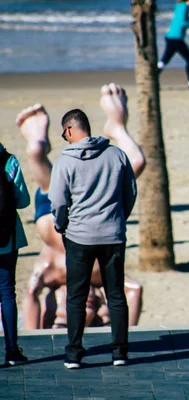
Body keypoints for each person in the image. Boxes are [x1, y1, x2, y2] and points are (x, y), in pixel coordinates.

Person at [16, 85, 145, 331]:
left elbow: (31, 295)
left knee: (51, 180)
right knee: (134, 163)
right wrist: (118, 218)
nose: (88, 306)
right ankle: (116, 126)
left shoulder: (51, 271)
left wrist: (34, 335)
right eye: (92, 310)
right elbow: (134, 290)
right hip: (88, 221)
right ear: (100, 306)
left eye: (62, 317)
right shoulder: (98, 275)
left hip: (59, 219)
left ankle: (36, 149)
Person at [47, 85, 138, 369]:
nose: (64, 138)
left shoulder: (65, 161)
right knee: (116, 296)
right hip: (112, 234)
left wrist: (62, 225)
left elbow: (58, 202)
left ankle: (74, 354)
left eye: (64, 133)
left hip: (79, 237)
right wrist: (118, 218)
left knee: (76, 295)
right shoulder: (117, 155)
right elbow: (130, 192)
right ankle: (120, 353)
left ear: (70, 130)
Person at [0, 143, 30, 366]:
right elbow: (23, 200)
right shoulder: (9, 161)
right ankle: (12, 350)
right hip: (7, 238)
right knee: (7, 293)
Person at [157, 0, 189, 90]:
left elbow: (182, 20)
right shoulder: (184, 7)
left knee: (164, 60)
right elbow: (183, 22)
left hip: (171, 36)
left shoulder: (180, 6)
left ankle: (152, 79)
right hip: (176, 38)